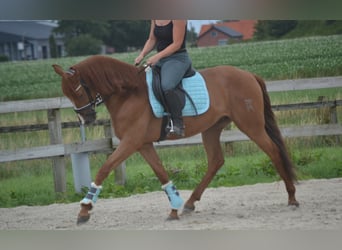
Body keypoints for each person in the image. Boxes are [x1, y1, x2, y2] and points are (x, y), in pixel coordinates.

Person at [135, 20, 192, 137]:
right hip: (161, 60)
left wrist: (157, 56)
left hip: (177, 59)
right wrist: (142, 55)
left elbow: (177, 44)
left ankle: (178, 123)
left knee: (167, 85)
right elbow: (152, 39)